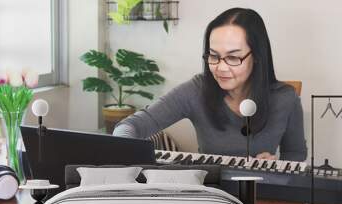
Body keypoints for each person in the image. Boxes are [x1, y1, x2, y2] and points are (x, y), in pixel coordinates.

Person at [113, 8, 307, 162]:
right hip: (211, 194)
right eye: (213, 56)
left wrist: (276, 165)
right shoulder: (196, 90)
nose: (220, 68)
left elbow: (296, 155)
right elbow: (132, 125)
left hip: (261, 196)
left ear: (256, 56)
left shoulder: (286, 98)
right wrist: (123, 151)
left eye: (233, 57)